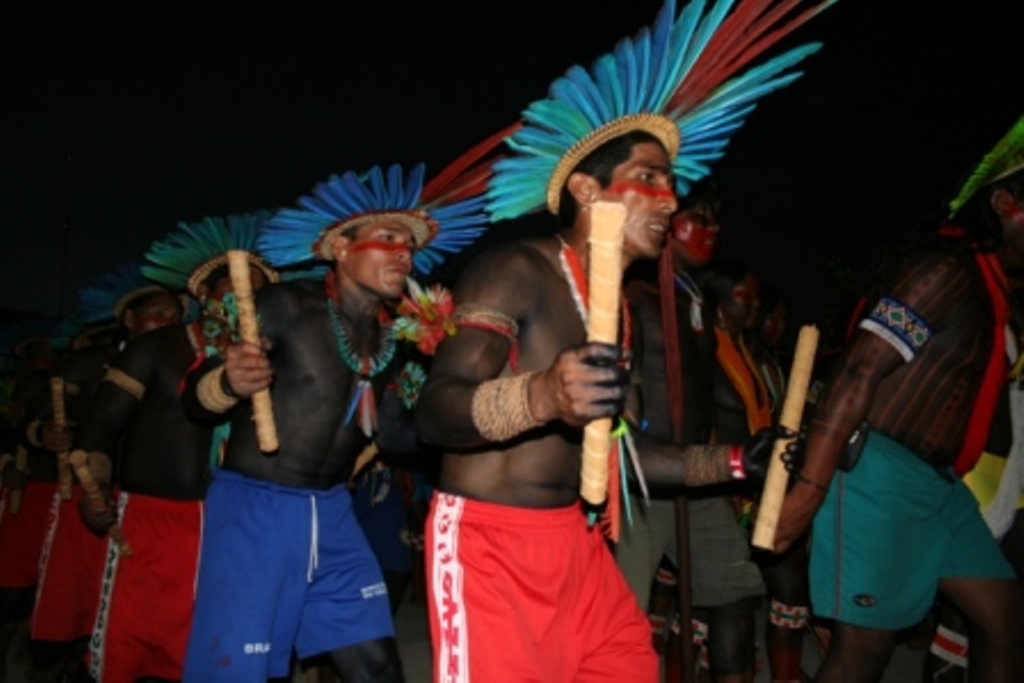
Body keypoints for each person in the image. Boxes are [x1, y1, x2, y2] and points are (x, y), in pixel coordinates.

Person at [414, 1, 833, 679]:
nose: (670, 199)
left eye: (672, 182)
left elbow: (624, 454)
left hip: (577, 543)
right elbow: (435, 410)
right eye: (648, 178)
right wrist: (543, 394)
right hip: (489, 546)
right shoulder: (514, 269)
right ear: (586, 187)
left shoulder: (622, 313)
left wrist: (734, 462)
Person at [179, 131, 513, 681]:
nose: (403, 252)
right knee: (239, 673)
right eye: (387, 238)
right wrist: (228, 381)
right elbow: (193, 400)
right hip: (255, 514)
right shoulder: (285, 305)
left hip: (334, 514)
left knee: (378, 665)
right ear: (339, 247)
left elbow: (400, 440)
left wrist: (453, 404)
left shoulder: (398, 341)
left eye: (409, 246)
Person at [773, 116, 1024, 682]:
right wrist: (810, 491)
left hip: (939, 487)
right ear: (1006, 203)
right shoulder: (944, 269)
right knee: (863, 652)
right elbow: (857, 370)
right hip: (879, 474)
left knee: (1005, 619)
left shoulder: (993, 291)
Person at [72, 216, 275, 683]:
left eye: (258, 295)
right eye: (237, 291)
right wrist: (96, 485)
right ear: (202, 295)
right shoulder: (155, 349)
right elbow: (102, 421)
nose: (247, 303)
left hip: (229, 528)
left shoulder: (268, 360)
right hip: (151, 524)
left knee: (203, 658)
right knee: (125, 654)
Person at [617, 183, 766, 683]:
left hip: (698, 477)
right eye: (699, 218)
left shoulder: (695, 293)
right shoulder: (631, 291)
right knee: (621, 618)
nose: (714, 230)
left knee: (736, 591)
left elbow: (711, 390)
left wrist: (723, 470)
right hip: (640, 480)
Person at [29, 266, 184, 683]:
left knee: (136, 611)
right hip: (91, 496)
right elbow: (35, 419)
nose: (167, 323)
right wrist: (45, 433)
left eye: (174, 316)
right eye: (157, 314)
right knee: (74, 599)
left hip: (145, 505)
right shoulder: (92, 364)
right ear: (130, 320)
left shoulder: (181, 362)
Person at [745, 280, 813, 683]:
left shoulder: (769, 364)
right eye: (774, 317)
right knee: (786, 588)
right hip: (746, 488)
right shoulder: (733, 356)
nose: (778, 326)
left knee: (785, 591)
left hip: (775, 484)